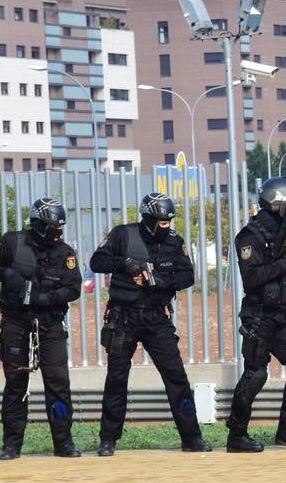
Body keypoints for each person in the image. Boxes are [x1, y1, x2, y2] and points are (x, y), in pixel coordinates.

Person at [90, 192, 211, 455]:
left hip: (157, 318)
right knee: (117, 378)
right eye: (162, 221)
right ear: (148, 218)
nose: (166, 226)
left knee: (176, 376)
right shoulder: (123, 234)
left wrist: (160, 282)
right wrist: (124, 263)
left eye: (169, 221)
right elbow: (97, 262)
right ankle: (108, 439)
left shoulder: (174, 242)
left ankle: (191, 438)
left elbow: (188, 276)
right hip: (124, 317)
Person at [224, 177, 286, 452]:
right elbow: (253, 278)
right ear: (279, 203)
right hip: (257, 314)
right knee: (256, 373)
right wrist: (285, 260)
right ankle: (236, 436)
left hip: (281, 312)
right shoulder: (250, 236)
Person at [0, 199, 84, 460]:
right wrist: (8, 276)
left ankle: (64, 442)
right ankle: (11, 445)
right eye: (52, 227)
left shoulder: (65, 252)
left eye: (60, 227)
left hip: (50, 322)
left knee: (58, 382)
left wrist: (48, 299)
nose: (57, 232)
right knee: (15, 383)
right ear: (38, 224)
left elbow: (74, 288)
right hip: (15, 320)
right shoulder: (12, 242)